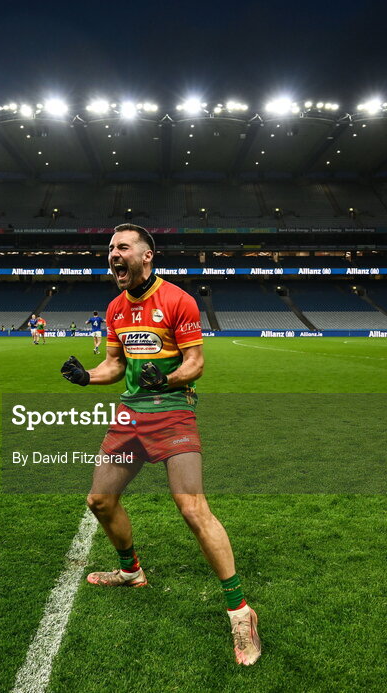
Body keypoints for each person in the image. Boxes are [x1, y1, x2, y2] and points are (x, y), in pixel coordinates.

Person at [60, 223, 261, 666]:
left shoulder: (178, 300)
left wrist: (166, 378)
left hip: (172, 410)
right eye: (110, 248)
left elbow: (196, 363)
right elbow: (114, 364)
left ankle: (241, 612)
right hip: (131, 413)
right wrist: (87, 377)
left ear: (147, 255)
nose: (113, 253)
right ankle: (131, 572)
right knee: (99, 500)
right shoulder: (115, 307)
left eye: (123, 247)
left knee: (191, 507)